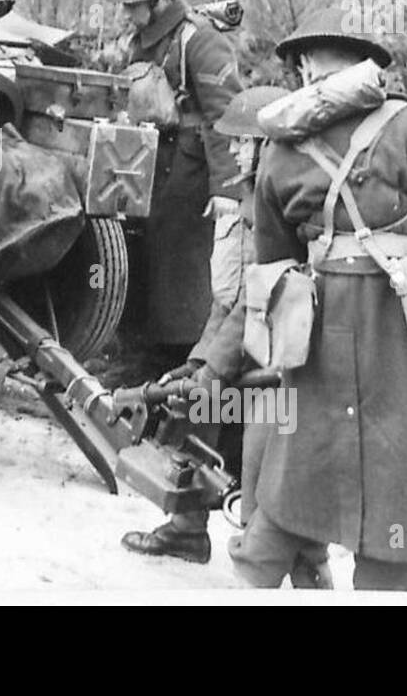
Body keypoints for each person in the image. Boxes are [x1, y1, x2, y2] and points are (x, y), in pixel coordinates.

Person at [228, 7, 407, 590]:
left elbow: (272, 263)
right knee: (398, 485)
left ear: (306, 64)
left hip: (317, 331)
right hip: (405, 331)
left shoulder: (282, 146)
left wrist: (280, 344)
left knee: (292, 478)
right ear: (367, 64)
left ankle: (255, 577)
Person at [121, 86, 333, 584]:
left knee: (269, 474)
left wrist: (215, 367)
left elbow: (260, 300)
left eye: (243, 142)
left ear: (269, 145)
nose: (234, 150)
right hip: (235, 340)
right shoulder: (243, 196)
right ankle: (187, 528)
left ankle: (300, 568)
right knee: (190, 415)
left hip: (275, 361)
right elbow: (227, 298)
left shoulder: (288, 206)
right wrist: (199, 363)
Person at [107, 0, 243, 367]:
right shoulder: (138, 41)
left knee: (182, 266)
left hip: (191, 171)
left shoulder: (200, 41)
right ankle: (142, 355)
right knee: (141, 255)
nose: (126, 13)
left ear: (160, 1)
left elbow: (227, 116)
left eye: (133, 5)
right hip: (147, 163)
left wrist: (227, 189)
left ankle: (185, 358)